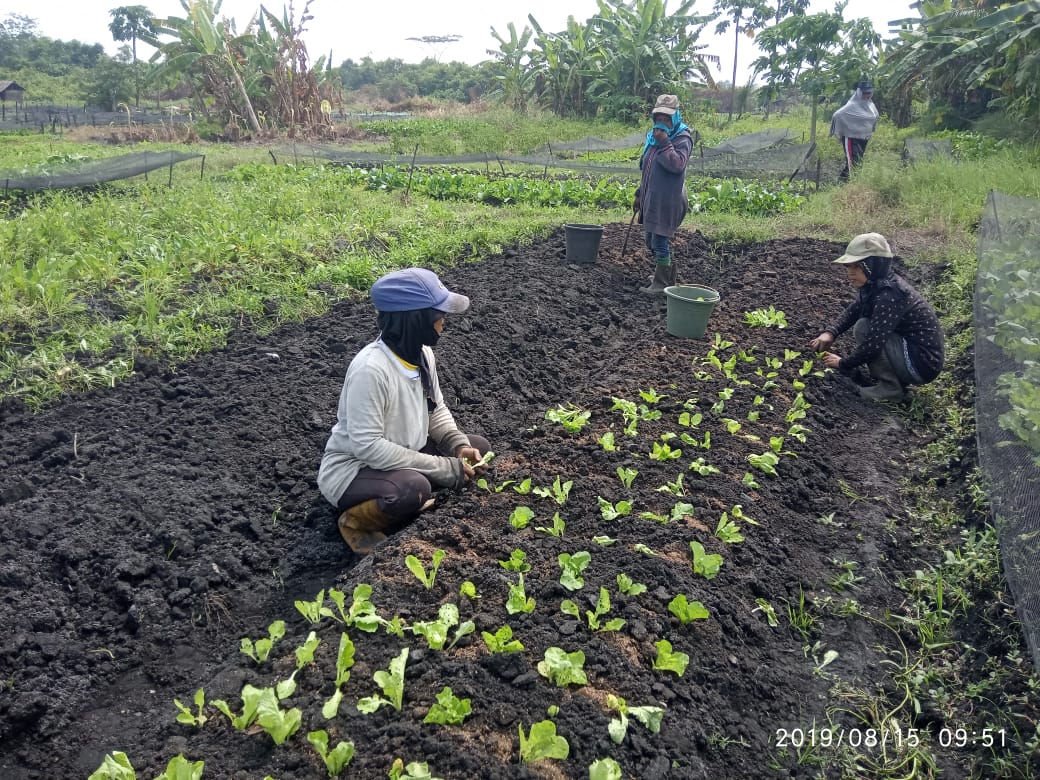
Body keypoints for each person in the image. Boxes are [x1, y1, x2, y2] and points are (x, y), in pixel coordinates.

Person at [318, 267, 491, 555]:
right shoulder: (371, 369)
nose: (443, 320)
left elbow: (436, 410)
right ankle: (357, 522)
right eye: (437, 313)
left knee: (477, 447)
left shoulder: (423, 355)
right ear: (415, 319)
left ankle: (415, 496)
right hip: (356, 469)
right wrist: (442, 468)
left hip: (404, 451)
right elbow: (368, 447)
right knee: (412, 489)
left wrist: (458, 445)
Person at [809, 233, 944, 402]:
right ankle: (896, 381)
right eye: (848, 266)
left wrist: (843, 363)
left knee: (863, 328)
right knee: (864, 324)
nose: (850, 273)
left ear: (874, 265)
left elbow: (873, 344)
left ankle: (890, 388)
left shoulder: (889, 295)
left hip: (921, 365)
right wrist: (831, 333)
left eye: (857, 266)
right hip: (914, 355)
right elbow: (856, 308)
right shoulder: (877, 285)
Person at [634, 94, 693, 294]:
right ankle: (667, 275)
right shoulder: (652, 139)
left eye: (666, 118)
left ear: (675, 118)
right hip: (652, 196)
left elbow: (677, 165)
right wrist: (639, 194)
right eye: (658, 118)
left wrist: (665, 142)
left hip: (669, 199)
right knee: (650, 240)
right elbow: (648, 169)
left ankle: (661, 284)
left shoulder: (682, 138)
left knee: (659, 239)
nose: (661, 123)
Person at [829, 80, 879, 181]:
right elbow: (837, 115)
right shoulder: (852, 105)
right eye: (864, 93)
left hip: (864, 137)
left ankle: (841, 183)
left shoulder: (870, 105)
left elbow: (875, 117)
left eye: (869, 93)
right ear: (859, 92)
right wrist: (839, 131)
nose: (867, 95)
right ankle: (854, 184)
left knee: (857, 161)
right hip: (851, 138)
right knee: (853, 162)